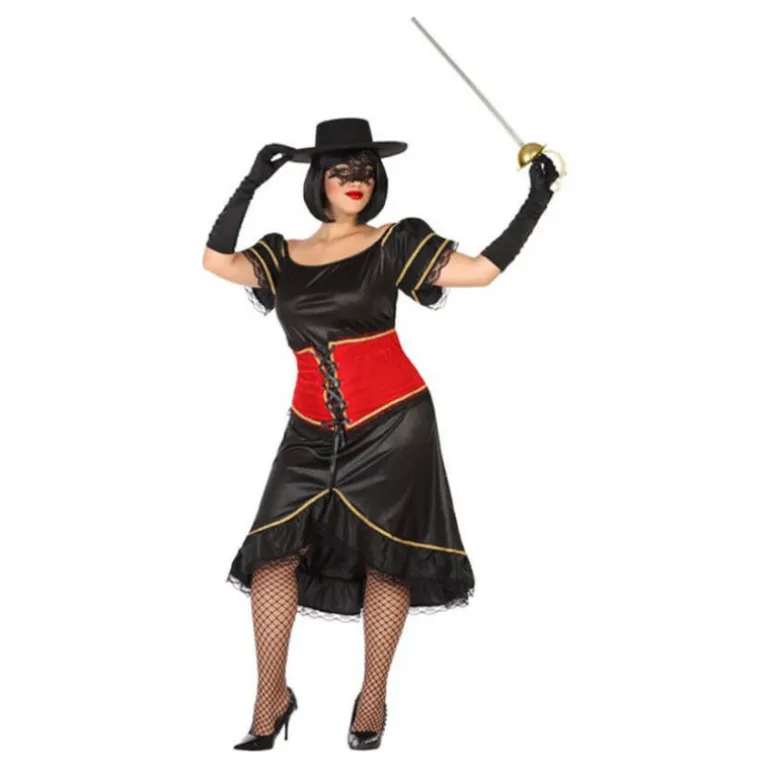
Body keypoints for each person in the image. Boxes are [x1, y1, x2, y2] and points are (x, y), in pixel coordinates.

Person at [202, 117, 559, 751]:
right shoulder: (281, 253)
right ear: (318, 179)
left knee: (387, 554)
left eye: (366, 170)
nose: (355, 180)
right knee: (272, 555)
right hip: (309, 429)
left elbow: (480, 272)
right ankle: (270, 695)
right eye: (341, 170)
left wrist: (537, 199)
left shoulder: (395, 241)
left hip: (395, 421)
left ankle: (372, 696)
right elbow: (217, 261)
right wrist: (251, 183)